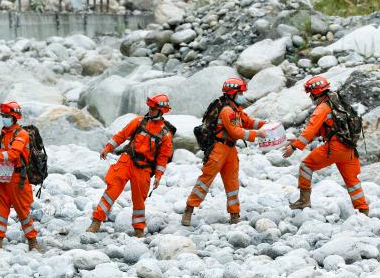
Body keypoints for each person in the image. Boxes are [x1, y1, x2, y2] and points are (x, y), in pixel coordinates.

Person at [182, 77, 267, 226]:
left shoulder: (235, 108)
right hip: (218, 149)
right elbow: (235, 132)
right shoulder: (227, 110)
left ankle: (234, 214)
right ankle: (189, 210)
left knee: (232, 182)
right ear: (233, 93)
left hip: (230, 150)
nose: (242, 96)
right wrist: (256, 134)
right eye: (240, 93)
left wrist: (265, 124)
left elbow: (247, 121)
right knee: (205, 181)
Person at [87, 94, 174, 237]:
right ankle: (96, 221)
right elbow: (121, 135)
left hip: (144, 168)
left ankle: (139, 231)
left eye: (153, 108)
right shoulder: (139, 122)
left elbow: (163, 158)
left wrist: (158, 176)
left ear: (161, 111)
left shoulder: (166, 134)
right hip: (127, 160)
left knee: (139, 201)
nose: (150, 110)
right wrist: (108, 147)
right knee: (111, 190)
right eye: (150, 108)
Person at [283, 76, 369, 214]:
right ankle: (363, 210)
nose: (310, 97)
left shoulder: (322, 108)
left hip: (335, 148)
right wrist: (298, 141)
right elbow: (321, 131)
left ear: (316, 92)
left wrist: (294, 147)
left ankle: (304, 200)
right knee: (352, 181)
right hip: (349, 148)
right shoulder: (338, 103)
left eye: (311, 93)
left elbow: (310, 130)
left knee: (306, 166)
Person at [0, 101, 39, 250]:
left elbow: (14, 154)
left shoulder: (21, 134)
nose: (4, 118)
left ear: (14, 117)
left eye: (7, 116)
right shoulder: (1, 136)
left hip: (16, 178)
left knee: (23, 211)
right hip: (2, 178)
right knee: (0, 210)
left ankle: (32, 241)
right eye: (3, 116)